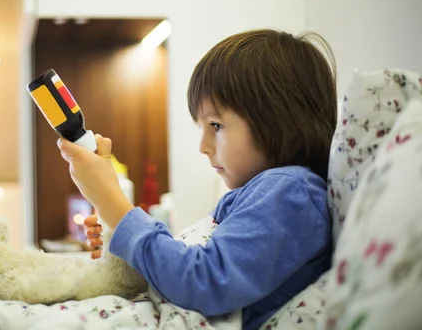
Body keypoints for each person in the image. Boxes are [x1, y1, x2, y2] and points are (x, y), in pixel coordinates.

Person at [57, 29, 337, 330]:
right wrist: (118, 233)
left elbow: (202, 280)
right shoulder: (268, 192)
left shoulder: (290, 190)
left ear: (281, 123)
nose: (203, 146)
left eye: (215, 125)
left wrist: (114, 205)